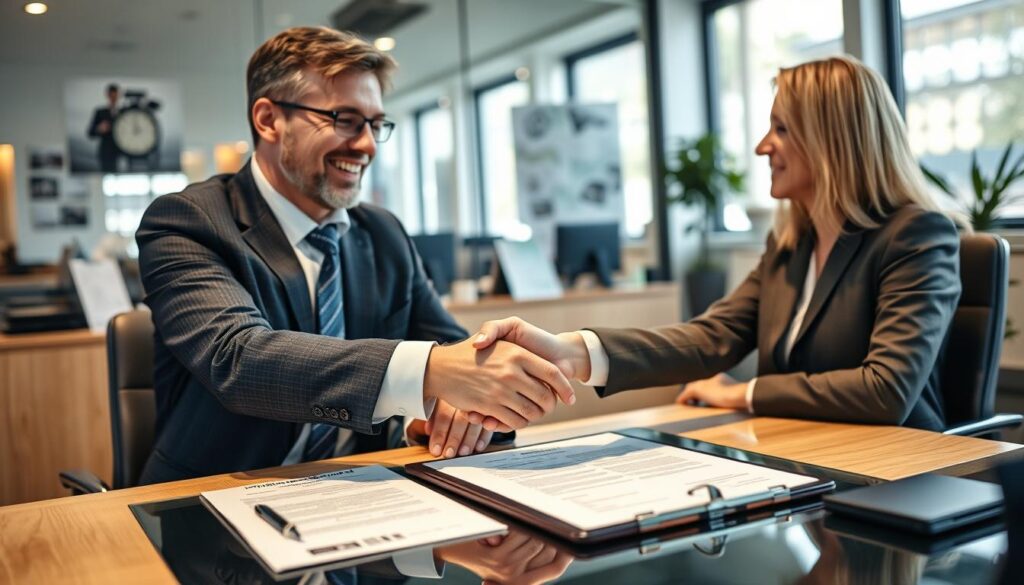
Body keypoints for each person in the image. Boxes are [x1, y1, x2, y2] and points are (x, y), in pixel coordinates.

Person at [135, 27, 573, 485]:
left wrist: (459, 406)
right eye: (344, 119)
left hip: (364, 491)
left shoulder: (383, 233)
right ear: (268, 120)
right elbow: (239, 360)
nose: (365, 145)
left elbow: (456, 355)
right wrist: (431, 372)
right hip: (209, 502)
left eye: (375, 124)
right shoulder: (188, 221)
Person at [471, 56, 961, 431]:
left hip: (897, 476)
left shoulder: (916, 237)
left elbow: (886, 390)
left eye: (782, 129)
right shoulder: (791, 245)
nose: (762, 146)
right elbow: (710, 338)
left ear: (834, 139)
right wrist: (571, 352)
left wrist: (743, 394)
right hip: (809, 458)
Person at [87, 83, 121, 172]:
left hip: (121, 151)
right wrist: (99, 129)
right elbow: (90, 133)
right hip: (106, 152)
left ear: (118, 95)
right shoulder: (100, 112)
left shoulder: (124, 112)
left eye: (115, 95)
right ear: (107, 95)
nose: (113, 98)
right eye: (111, 95)